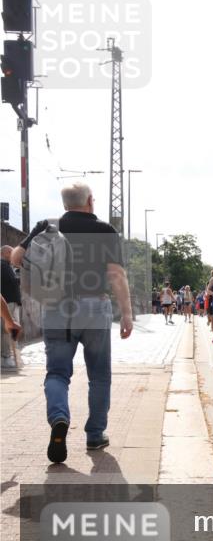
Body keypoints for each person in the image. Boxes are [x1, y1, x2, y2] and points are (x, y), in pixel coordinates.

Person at [11, 182, 134, 462]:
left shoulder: (46, 227)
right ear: (90, 200)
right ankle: (94, 435)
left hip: (56, 307)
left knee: (57, 374)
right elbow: (116, 274)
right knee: (99, 376)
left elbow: (17, 258)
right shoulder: (105, 231)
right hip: (94, 307)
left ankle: (58, 418)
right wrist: (126, 314)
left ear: (65, 204)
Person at [1, 245, 22, 369]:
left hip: (11, 303)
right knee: (7, 330)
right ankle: (6, 357)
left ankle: (12, 357)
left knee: (12, 330)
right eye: (13, 252)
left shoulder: (7, 266)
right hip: (6, 303)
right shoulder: (2, 266)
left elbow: (12, 281)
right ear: (7, 253)